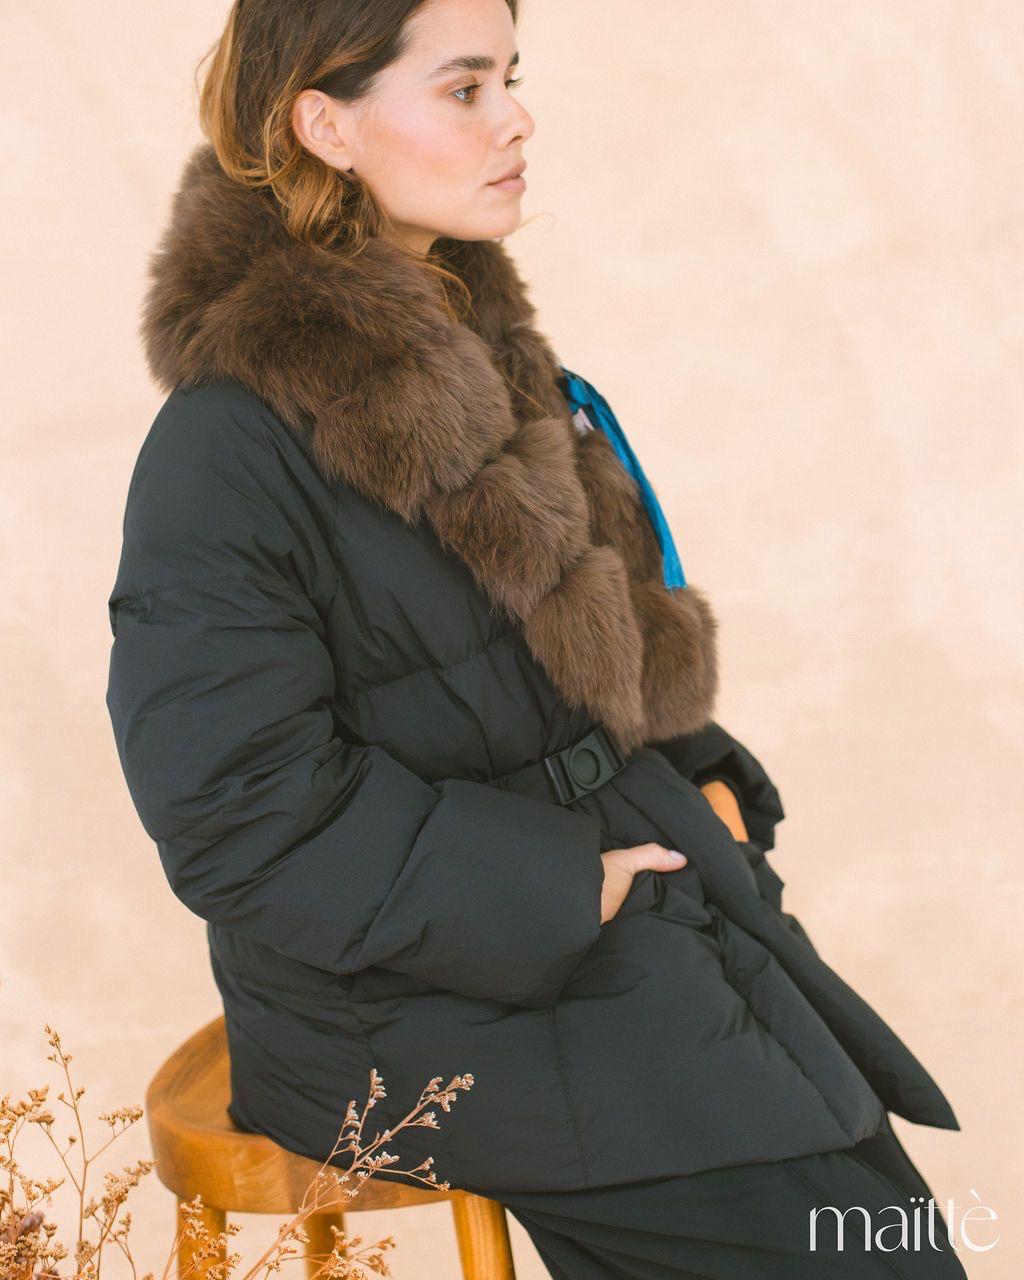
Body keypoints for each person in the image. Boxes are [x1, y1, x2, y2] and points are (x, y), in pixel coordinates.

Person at [105, 1, 969, 1275]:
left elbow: (541, 658)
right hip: (406, 1000)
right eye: (465, 88)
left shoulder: (472, 352)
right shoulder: (224, 447)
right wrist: (566, 883)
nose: (515, 119)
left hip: (585, 919)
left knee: (878, 1227)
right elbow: (235, 810)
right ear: (324, 125)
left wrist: (695, 776)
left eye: (511, 77)